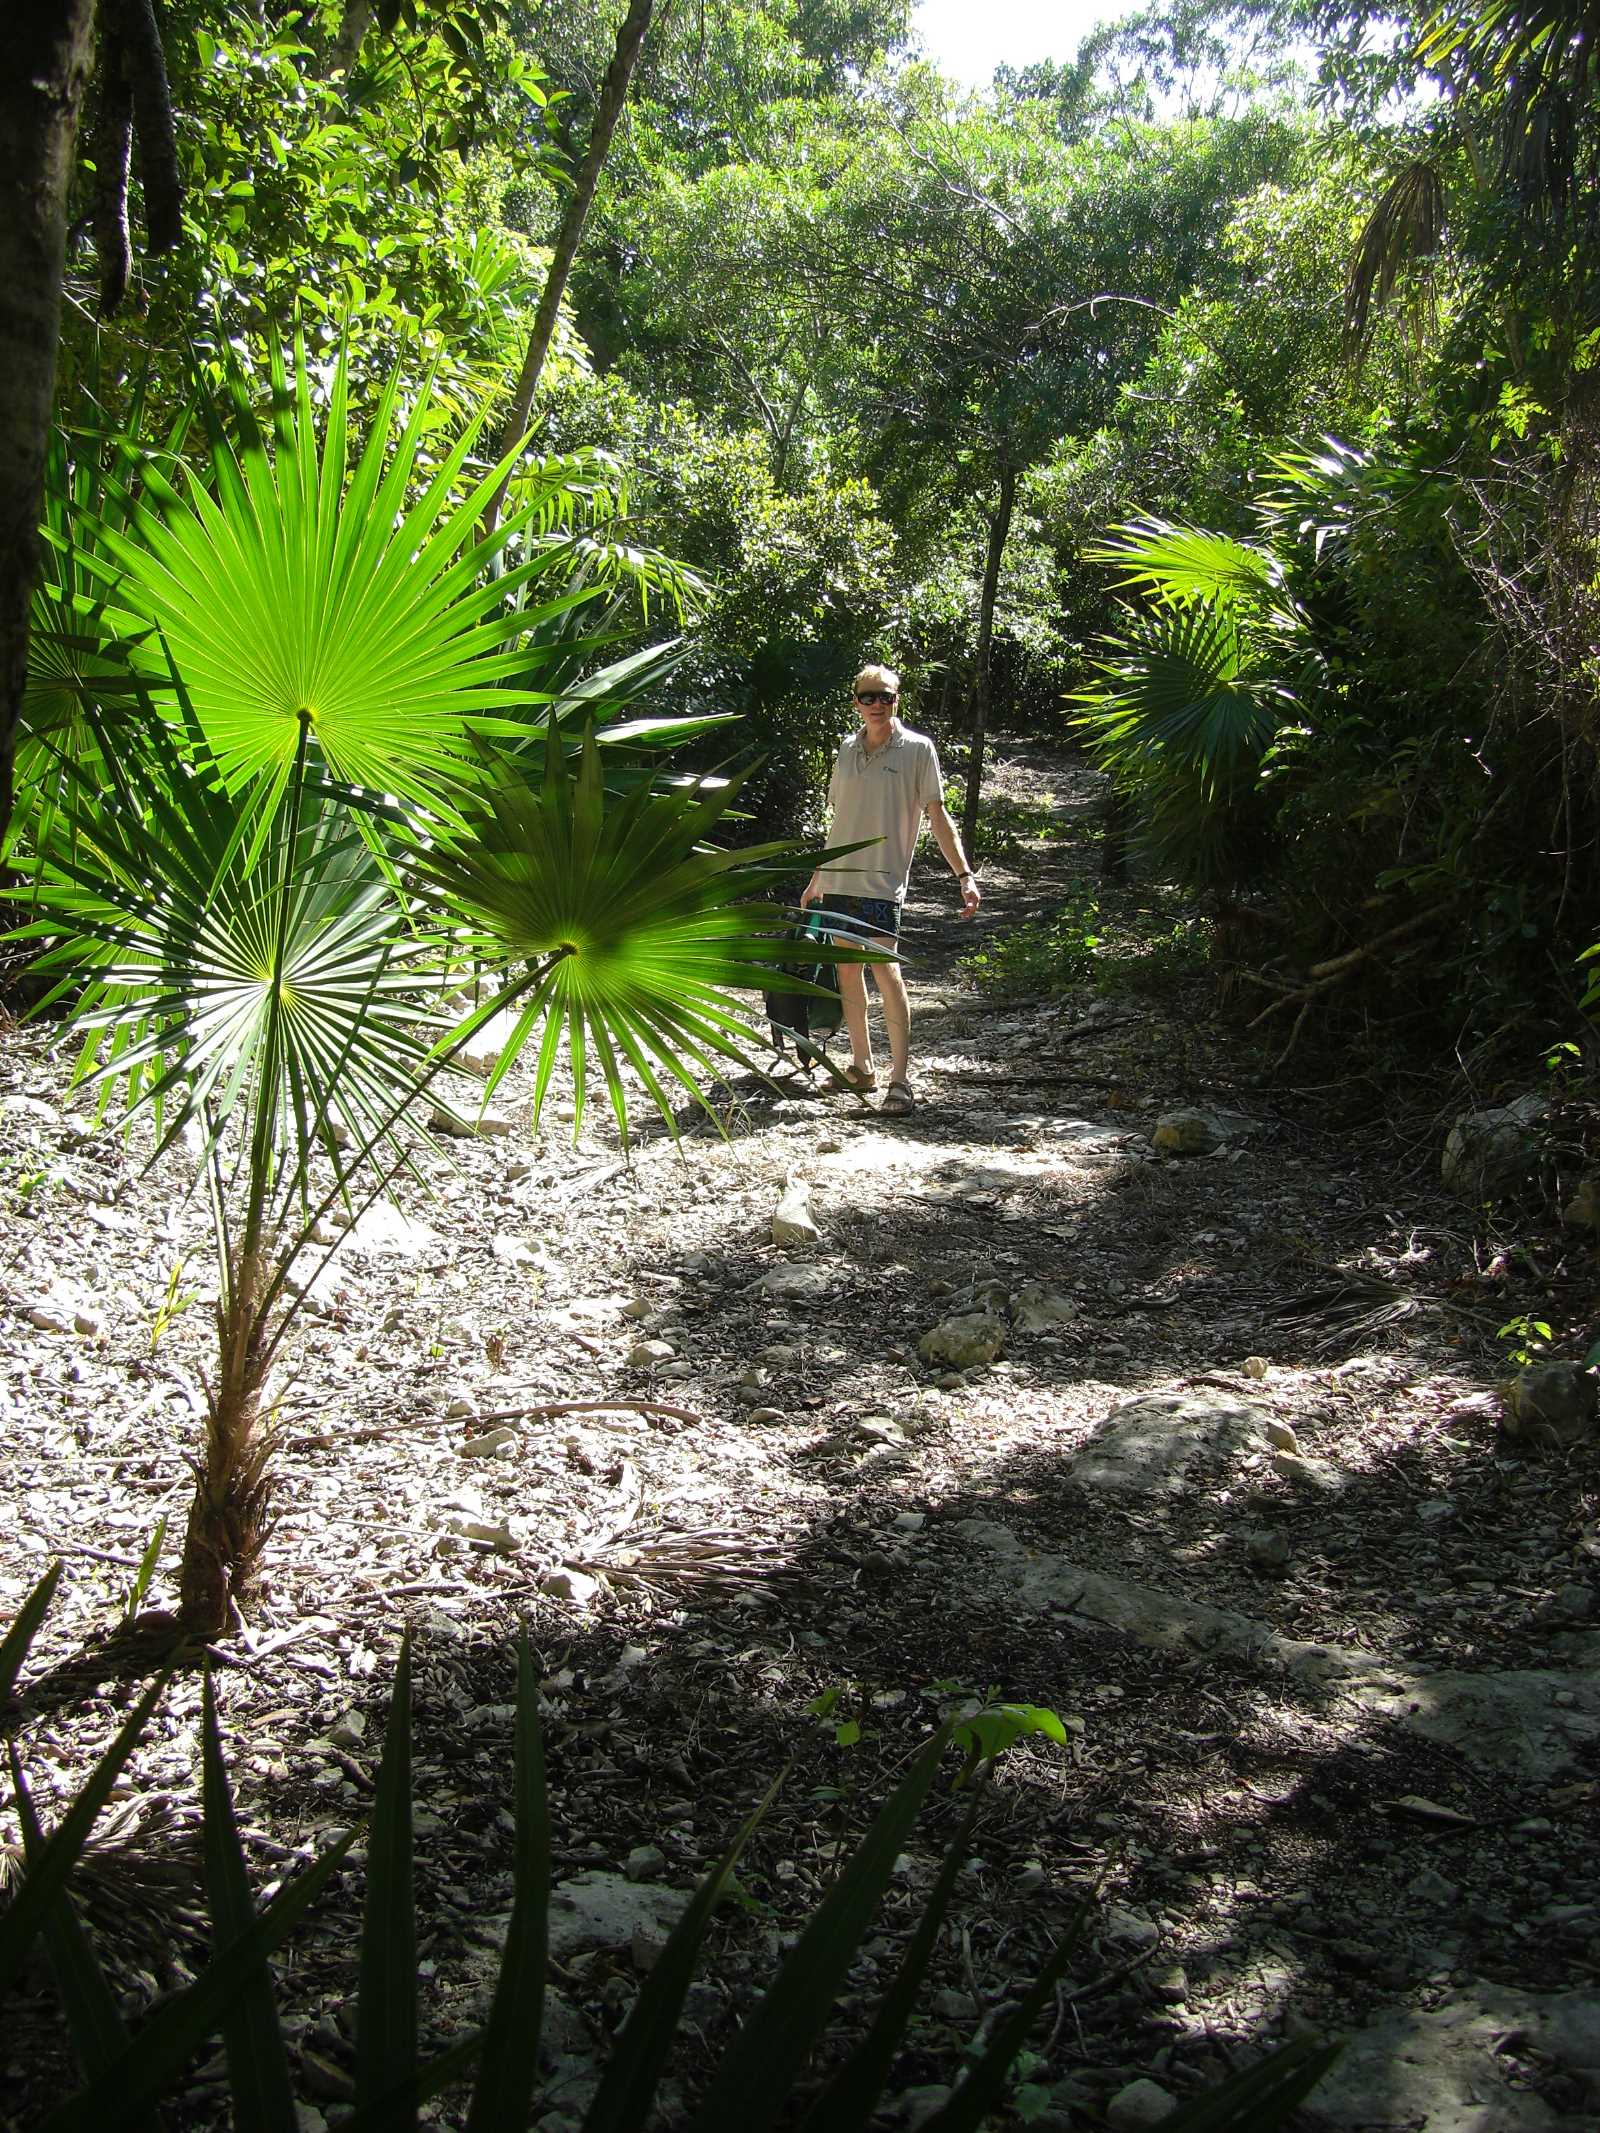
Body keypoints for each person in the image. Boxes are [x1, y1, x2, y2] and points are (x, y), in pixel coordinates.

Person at [800, 664, 981, 1115]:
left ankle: (900, 1080)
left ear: (898, 699)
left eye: (887, 696)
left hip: (882, 883)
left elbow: (938, 816)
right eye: (870, 696)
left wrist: (964, 875)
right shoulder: (845, 750)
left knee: (886, 972)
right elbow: (839, 821)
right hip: (840, 878)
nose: (878, 704)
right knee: (846, 971)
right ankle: (861, 1067)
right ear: (856, 700)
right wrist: (818, 876)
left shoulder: (918, 749)